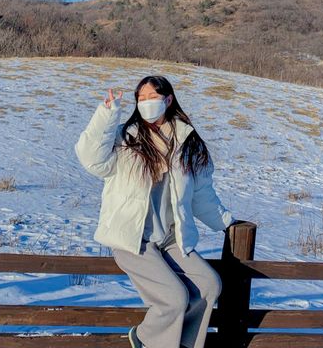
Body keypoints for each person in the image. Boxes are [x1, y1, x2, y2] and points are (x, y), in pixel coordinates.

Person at [75, 75, 236, 348]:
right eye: (141, 99)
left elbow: (201, 194)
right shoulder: (126, 140)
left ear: (168, 99)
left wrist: (226, 222)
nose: (147, 103)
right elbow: (91, 158)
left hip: (171, 237)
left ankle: (184, 344)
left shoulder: (186, 143)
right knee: (174, 298)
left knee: (209, 285)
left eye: (153, 98)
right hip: (133, 239)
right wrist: (107, 114)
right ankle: (147, 338)